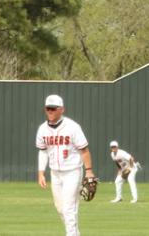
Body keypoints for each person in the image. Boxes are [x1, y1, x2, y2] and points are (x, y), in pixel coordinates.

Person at [35, 94, 95, 236]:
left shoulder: (73, 127)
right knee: (60, 208)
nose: (50, 111)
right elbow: (43, 151)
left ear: (62, 109)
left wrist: (89, 171)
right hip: (55, 173)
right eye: (48, 108)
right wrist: (41, 172)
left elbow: (84, 150)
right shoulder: (42, 129)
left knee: (69, 208)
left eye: (53, 108)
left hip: (72, 171)